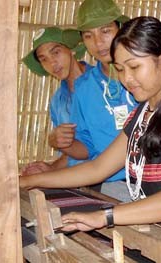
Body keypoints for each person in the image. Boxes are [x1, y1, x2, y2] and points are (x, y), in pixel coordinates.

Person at [20, 16, 161, 248]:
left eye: (134, 67)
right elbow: (97, 168)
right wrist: (28, 181)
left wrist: (104, 216)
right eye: (120, 69)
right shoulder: (142, 116)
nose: (126, 79)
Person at [57, 0, 161, 201]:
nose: (98, 42)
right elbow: (93, 160)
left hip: (158, 189)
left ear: (120, 29)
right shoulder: (89, 90)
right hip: (120, 186)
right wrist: (63, 146)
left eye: (105, 31)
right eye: (88, 35)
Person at [21, 27, 93, 175]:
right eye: (44, 59)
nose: (52, 63)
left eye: (56, 52)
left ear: (71, 49)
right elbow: (73, 153)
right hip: (79, 181)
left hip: (113, 180)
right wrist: (51, 168)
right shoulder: (57, 102)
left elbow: (105, 144)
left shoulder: (101, 84)